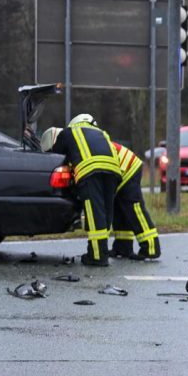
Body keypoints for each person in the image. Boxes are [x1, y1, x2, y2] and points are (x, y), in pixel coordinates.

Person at [40, 114, 122, 266]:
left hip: (90, 172)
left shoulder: (69, 132)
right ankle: (100, 251)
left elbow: (55, 154)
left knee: (94, 213)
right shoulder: (102, 133)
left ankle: (97, 257)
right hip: (113, 173)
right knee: (105, 213)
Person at [110, 141, 161, 259]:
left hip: (128, 167)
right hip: (121, 168)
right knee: (119, 209)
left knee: (134, 208)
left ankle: (151, 247)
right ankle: (123, 247)